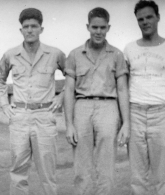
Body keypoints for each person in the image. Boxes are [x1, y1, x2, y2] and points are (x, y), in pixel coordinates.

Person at [0, 8, 65, 195]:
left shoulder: (55, 54)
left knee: (48, 174)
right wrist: (4, 104)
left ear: (41, 29)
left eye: (34, 26)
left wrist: (62, 96)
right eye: (26, 26)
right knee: (18, 172)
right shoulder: (11, 55)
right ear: (21, 30)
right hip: (20, 117)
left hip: (44, 116)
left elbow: (73, 77)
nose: (30, 30)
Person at [64, 7, 130, 195]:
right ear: (88, 27)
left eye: (102, 28)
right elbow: (68, 89)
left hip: (108, 107)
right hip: (82, 106)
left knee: (106, 167)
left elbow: (123, 88)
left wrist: (126, 123)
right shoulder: (75, 54)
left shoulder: (116, 55)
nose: (98, 32)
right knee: (81, 167)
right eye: (94, 27)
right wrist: (68, 124)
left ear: (108, 27)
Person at [124, 1, 165, 194]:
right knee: (137, 176)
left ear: (158, 17)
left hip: (161, 113)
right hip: (135, 113)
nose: (145, 22)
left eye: (149, 17)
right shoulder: (129, 48)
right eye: (140, 19)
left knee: (161, 175)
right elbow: (123, 84)